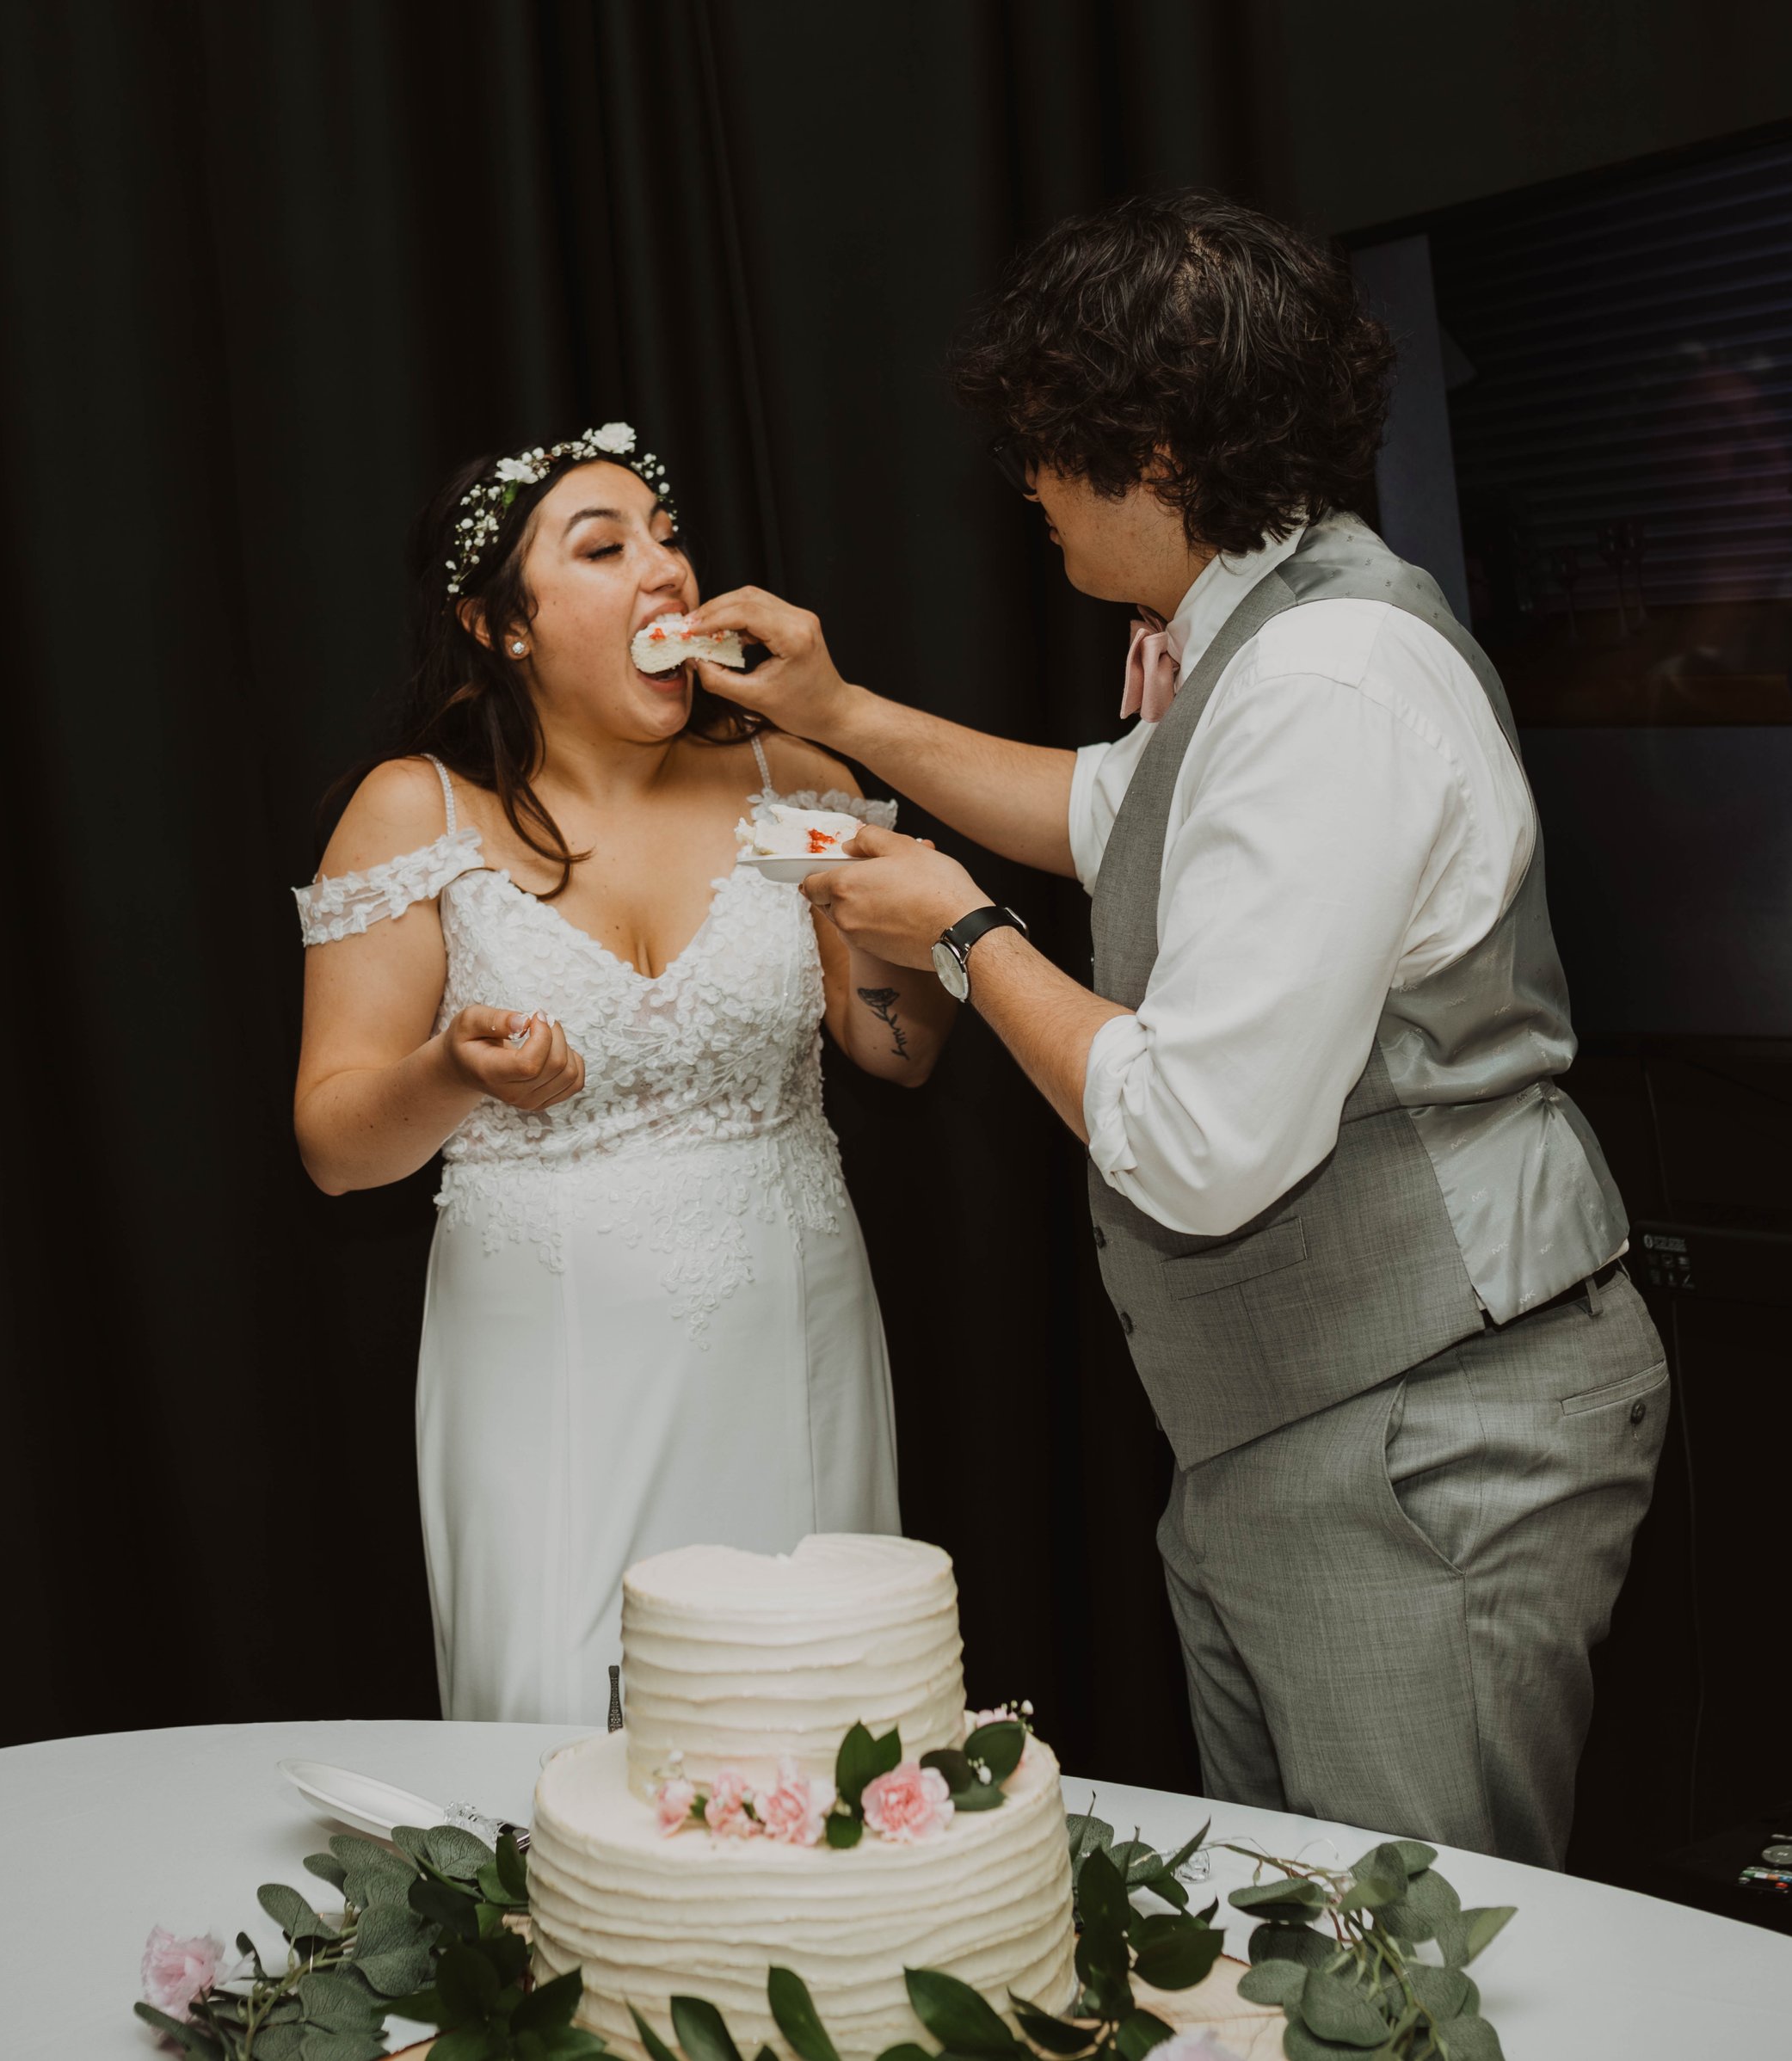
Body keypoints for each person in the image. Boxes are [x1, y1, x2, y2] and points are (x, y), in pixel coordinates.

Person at [686, 194, 1666, 1868]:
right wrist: (839, 714)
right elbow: (1100, 809)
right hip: (1297, 1427)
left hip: (1422, 1428)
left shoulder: (1321, 683)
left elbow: (1198, 1147)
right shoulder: (1259, 636)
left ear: (1144, 452)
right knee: (1291, 1956)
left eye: (1044, 455)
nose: (1028, 496)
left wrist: (962, 934)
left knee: (1408, 1969)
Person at [291, 424, 953, 1725]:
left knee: (826, 1727)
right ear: (504, 628)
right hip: (550, 1369)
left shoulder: (795, 780)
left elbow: (899, 1050)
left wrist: (910, 936)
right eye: (604, 548)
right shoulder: (413, 811)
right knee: (570, 1743)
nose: (666, 572)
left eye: (670, 537)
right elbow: (335, 1146)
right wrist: (452, 1071)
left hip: (790, 1331)